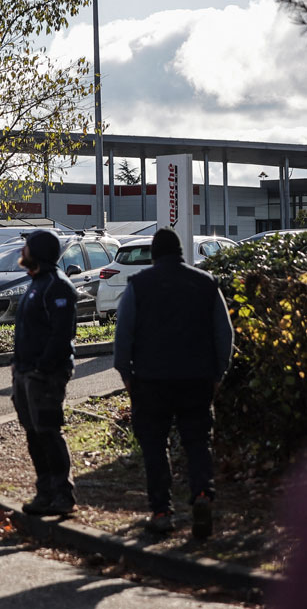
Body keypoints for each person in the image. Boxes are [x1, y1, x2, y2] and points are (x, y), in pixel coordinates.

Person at [113, 227, 233, 537]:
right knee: (197, 442)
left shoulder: (138, 285)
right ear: (181, 252)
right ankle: (203, 495)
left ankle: (162, 511)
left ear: (153, 254)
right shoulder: (206, 284)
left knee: (154, 446)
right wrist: (218, 374)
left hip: (151, 381)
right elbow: (225, 333)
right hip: (197, 378)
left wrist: (126, 374)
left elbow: (123, 335)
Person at [11, 230, 78, 516]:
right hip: (25, 374)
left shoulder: (56, 286)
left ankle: (63, 495)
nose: (22, 251)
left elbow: (62, 334)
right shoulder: (36, 283)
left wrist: (42, 367)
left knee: (48, 433)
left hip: (45, 376)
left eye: (26, 246)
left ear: (36, 252)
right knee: (34, 435)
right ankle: (45, 492)